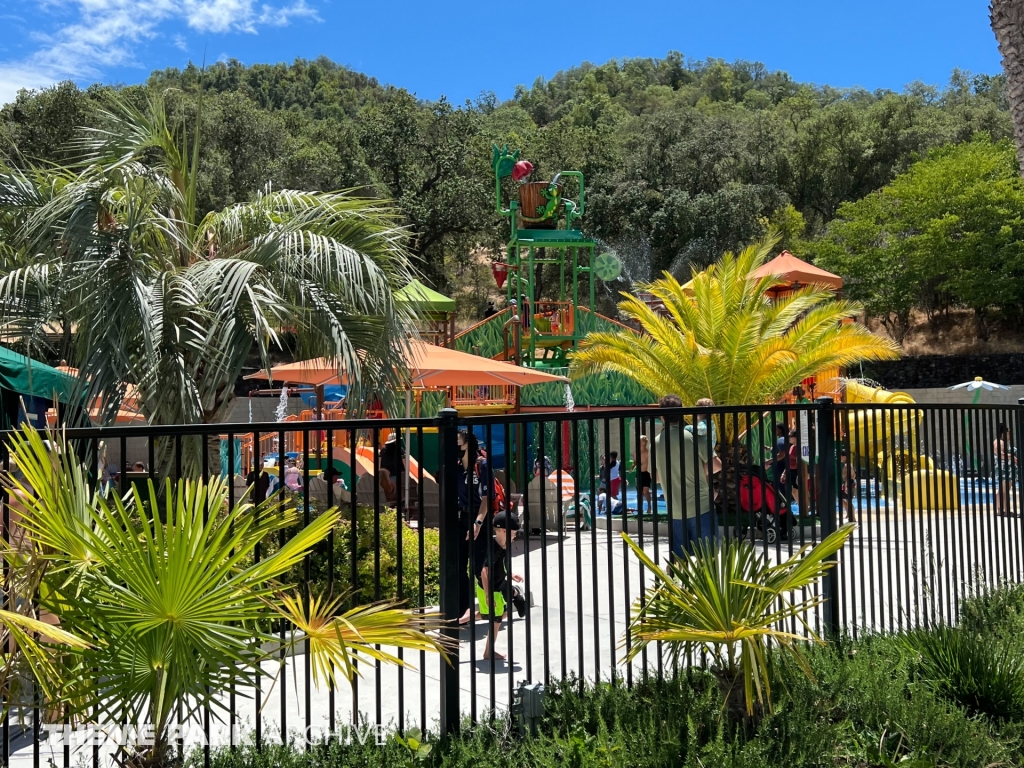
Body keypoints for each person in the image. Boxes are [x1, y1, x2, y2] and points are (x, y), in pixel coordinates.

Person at [654, 394, 717, 559]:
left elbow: (657, 478)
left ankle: (674, 584)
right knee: (707, 559)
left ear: (662, 417)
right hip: (702, 506)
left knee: (679, 561)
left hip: (675, 510)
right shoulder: (693, 437)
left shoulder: (656, 442)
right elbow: (717, 466)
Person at [475, 511, 525, 661]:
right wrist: (488, 595)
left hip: (500, 583)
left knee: (513, 606)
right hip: (491, 588)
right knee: (496, 620)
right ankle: (488, 653)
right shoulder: (494, 548)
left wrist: (510, 574)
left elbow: (500, 566)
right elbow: (485, 571)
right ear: (504, 531)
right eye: (514, 532)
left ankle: (459, 620)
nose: (516, 535)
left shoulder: (504, 544)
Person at [456, 430, 490, 625]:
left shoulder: (482, 465)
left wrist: (478, 522)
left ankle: (510, 595)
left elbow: (487, 498)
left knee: (480, 567)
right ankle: (464, 611)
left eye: (458, 441)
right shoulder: (458, 467)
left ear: (467, 443)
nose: (456, 445)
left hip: (480, 518)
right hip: (463, 517)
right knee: (460, 566)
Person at [994, 423, 1019, 517]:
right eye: (1008, 432)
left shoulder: (1001, 442)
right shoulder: (999, 442)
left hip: (1006, 469)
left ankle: (1001, 510)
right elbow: (999, 453)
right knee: (1004, 490)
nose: (1010, 435)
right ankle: (1006, 510)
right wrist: (1012, 457)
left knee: (1002, 490)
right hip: (1005, 470)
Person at [838, 444, 856, 523]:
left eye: (840, 456)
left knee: (848, 501)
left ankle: (853, 517)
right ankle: (849, 514)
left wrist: (846, 485)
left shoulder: (847, 465)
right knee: (842, 500)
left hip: (849, 484)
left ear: (844, 457)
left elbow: (850, 476)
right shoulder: (848, 464)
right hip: (848, 483)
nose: (839, 458)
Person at [635, 434, 652, 515]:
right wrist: (632, 467)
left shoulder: (648, 452)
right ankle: (640, 508)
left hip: (646, 473)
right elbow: (635, 462)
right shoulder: (636, 452)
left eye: (642, 441)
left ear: (645, 442)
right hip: (639, 473)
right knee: (640, 492)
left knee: (646, 491)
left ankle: (649, 506)